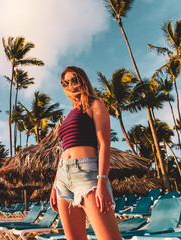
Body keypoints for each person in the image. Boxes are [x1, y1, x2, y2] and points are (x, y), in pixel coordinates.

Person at [50, 66, 122, 240]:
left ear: (83, 79)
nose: (71, 85)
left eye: (74, 79)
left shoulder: (94, 104)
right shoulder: (68, 115)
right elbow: (64, 150)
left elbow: (104, 144)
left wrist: (102, 182)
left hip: (87, 174)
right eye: (65, 82)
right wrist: (54, 185)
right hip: (63, 178)